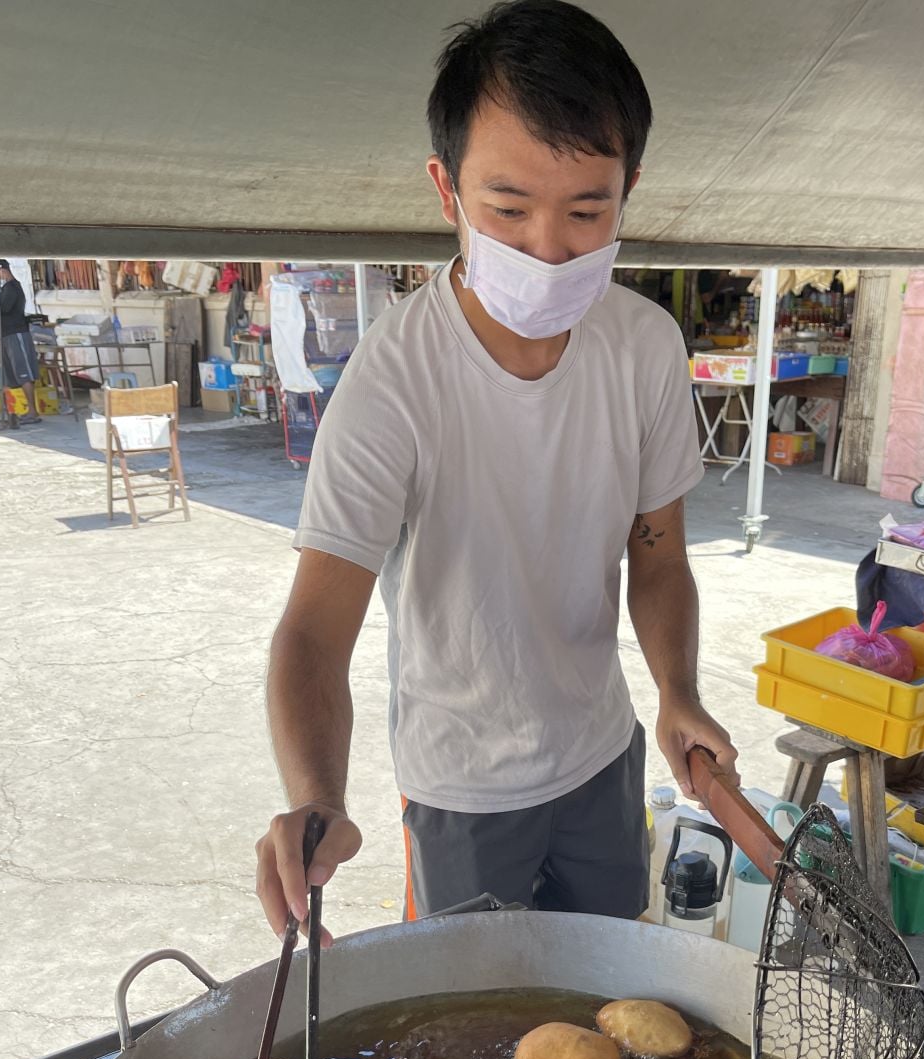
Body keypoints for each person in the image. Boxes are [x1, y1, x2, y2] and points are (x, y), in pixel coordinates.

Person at [256, 0, 736, 938]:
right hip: (462, 790)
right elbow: (314, 629)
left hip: (602, 756)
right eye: (508, 210)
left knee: (613, 995)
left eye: (587, 211)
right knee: (477, 1019)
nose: (548, 250)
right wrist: (316, 795)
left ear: (629, 189)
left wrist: (678, 692)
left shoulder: (644, 347)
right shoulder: (395, 379)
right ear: (447, 190)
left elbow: (660, 556)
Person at [0, 259, 40, 425]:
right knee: (11, 374)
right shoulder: (6, 288)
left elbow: (4, 309)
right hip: (7, 334)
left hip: (16, 333)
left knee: (23, 373)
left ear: (2, 270)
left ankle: (33, 412)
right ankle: (15, 410)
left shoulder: (12, 287)